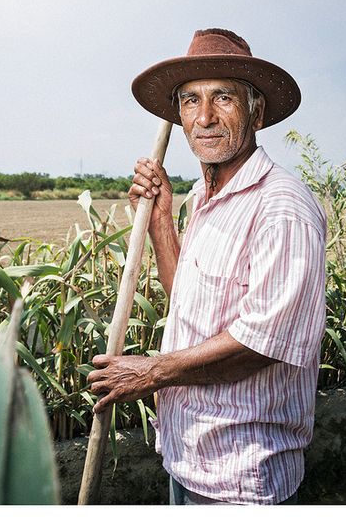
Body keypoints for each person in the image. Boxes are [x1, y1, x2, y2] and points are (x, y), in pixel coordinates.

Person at [87, 28, 327, 505]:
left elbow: (262, 345)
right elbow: (191, 300)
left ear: (255, 110)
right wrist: (159, 224)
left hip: (243, 476)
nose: (206, 117)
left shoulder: (283, 208)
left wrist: (151, 372)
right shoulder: (201, 198)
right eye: (191, 101)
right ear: (178, 115)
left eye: (223, 98)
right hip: (185, 458)